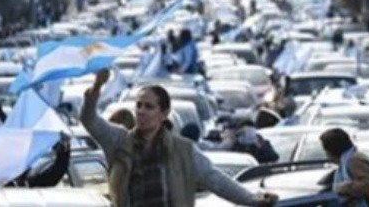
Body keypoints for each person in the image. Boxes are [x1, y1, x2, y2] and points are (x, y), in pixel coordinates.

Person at [80, 69, 277, 207]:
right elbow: (90, 120)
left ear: (163, 113)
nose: (141, 111)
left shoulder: (181, 150)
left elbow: (214, 178)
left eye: (149, 107)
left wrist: (252, 199)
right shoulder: (119, 141)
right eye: (138, 105)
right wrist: (97, 86)